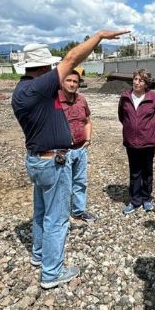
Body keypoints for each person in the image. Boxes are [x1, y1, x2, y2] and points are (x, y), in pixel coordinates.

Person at [12, 30, 128, 289]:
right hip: (52, 162)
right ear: (43, 68)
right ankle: (51, 273)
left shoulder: (21, 90)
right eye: (51, 66)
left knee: (42, 211)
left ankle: (39, 255)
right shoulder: (38, 88)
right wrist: (99, 37)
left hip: (37, 160)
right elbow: (72, 59)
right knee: (56, 218)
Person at [117, 69, 155, 214]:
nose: (137, 82)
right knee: (134, 171)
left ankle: (147, 198)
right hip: (131, 141)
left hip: (148, 141)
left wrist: (147, 130)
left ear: (146, 83)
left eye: (141, 80)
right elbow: (121, 116)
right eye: (135, 79)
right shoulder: (125, 97)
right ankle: (135, 200)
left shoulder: (154, 98)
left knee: (147, 171)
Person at [60, 67, 97, 222]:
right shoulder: (54, 101)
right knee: (63, 185)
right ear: (62, 82)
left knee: (80, 182)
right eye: (68, 80)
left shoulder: (81, 100)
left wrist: (88, 140)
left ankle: (78, 211)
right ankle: (61, 215)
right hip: (62, 151)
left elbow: (87, 121)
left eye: (75, 81)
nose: (72, 84)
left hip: (81, 149)